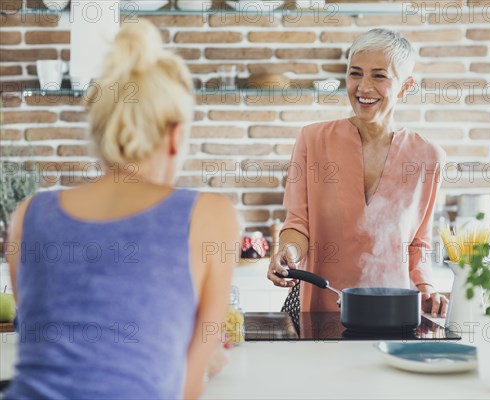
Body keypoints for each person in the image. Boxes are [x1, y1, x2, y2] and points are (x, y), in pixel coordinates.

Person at [5, 20, 239, 399]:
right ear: (176, 136)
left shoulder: (29, 215)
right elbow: (187, 388)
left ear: (99, 132)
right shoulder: (211, 215)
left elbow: (52, 339)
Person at [268, 29, 448, 319]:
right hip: (322, 311)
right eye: (355, 74)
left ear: (405, 87)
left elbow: (417, 244)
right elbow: (298, 223)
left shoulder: (427, 156)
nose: (363, 87)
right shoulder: (313, 140)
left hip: (394, 311)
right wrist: (288, 253)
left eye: (379, 76)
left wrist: (426, 289)